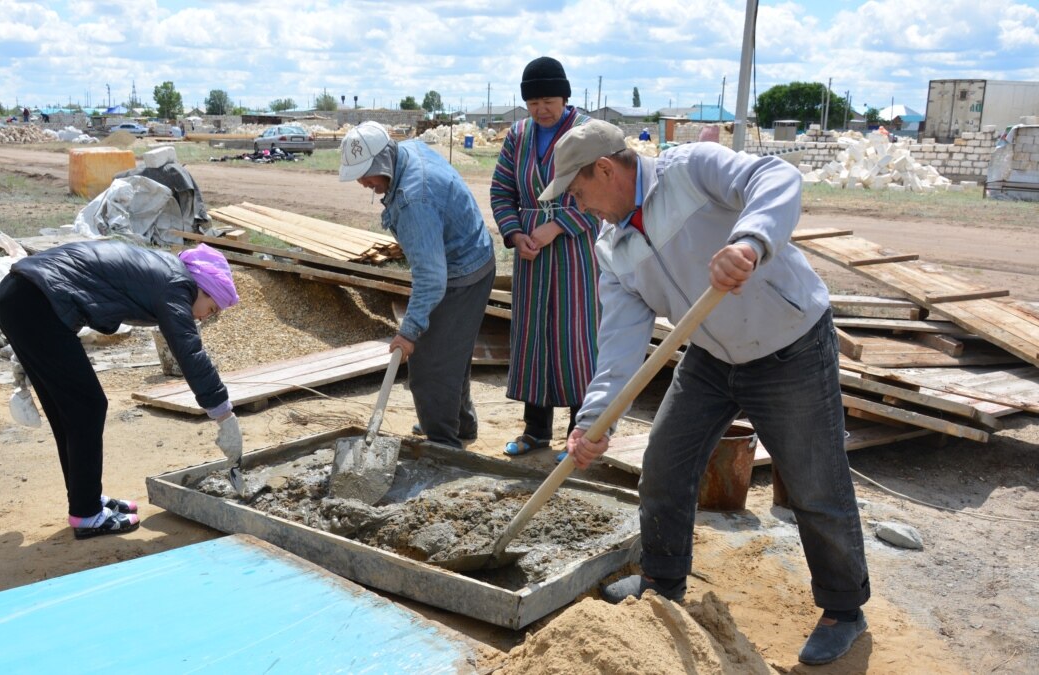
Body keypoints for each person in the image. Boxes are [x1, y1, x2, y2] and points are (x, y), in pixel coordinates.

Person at [543, 120, 871, 666]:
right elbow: (621, 341)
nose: (582, 208)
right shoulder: (612, 246)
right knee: (665, 465)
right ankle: (662, 581)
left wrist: (750, 240)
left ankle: (843, 608)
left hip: (789, 342)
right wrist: (595, 419)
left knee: (816, 483)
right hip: (711, 356)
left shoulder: (691, 170)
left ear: (605, 169)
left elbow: (777, 175)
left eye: (578, 193)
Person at [0, 241, 244, 539]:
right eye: (211, 308)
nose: (205, 316)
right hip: (35, 303)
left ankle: (85, 501)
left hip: (21, 297)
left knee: (70, 411)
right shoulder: (178, 286)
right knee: (87, 406)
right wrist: (224, 415)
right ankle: (87, 514)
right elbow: (189, 352)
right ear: (202, 287)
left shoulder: (166, 274)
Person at [338, 121, 495, 449]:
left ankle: (443, 446)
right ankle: (459, 427)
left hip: (461, 273)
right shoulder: (404, 153)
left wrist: (408, 333)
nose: (363, 182)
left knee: (429, 365)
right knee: (451, 353)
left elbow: (431, 278)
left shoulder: (414, 199)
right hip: (464, 258)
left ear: (382, 162)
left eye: (366, 173)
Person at [489, 56, 600, 459]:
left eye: (549, 99)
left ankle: (579, 432)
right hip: (531, 256)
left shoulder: (586, 132)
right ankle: (536, 429)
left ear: (565, 96)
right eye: (533, 102)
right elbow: (502, 190)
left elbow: (602, 191)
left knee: (577, 338)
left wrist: (558, 225)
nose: (542, 109)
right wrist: (516, 233)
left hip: (576, 251)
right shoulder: (518, 135)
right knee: (533, 337)